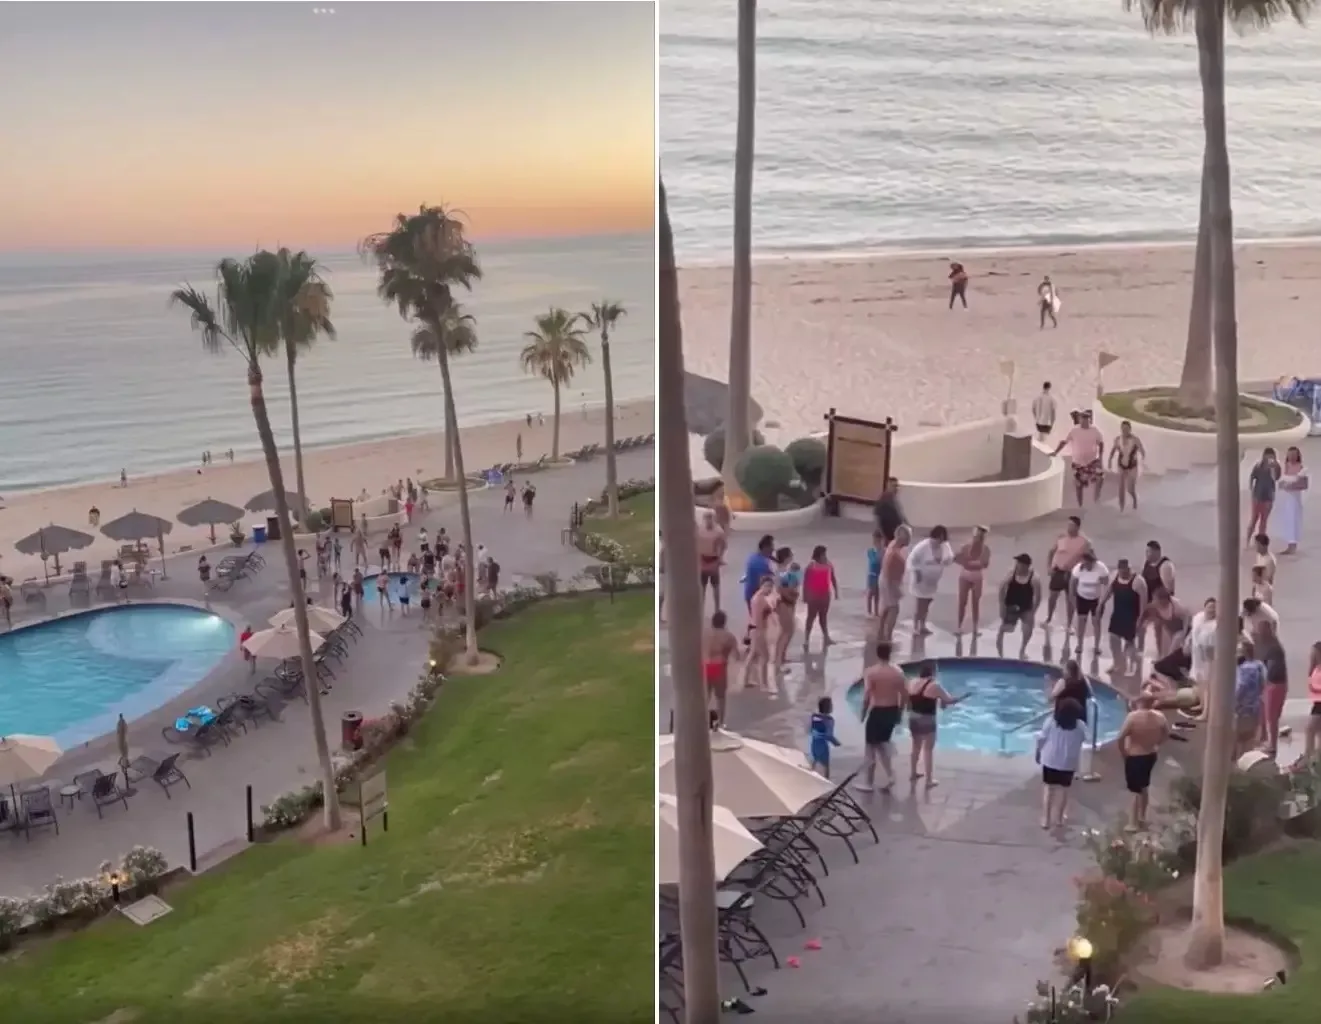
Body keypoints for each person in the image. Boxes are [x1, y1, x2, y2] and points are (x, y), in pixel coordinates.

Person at [907, 660, 968, 788]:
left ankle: (913, 773)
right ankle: (929, 780)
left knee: (915, 746)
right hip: (927, 719)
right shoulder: (934, 685)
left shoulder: (912, 682)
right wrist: (963, 697)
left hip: (913, 718)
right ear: (933, 671)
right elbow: (949, 700)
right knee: (928, 749)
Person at [857, 641, 906, 793]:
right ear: (890, 654)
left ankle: (868, 783)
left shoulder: (871, 672)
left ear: (877, 654)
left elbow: (867, 694)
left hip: (877, 711)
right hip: (892, 710)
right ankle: (890, 775)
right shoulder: (898, 672)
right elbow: (904, 695)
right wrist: (900, 713)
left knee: (871, 747)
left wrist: (863, 712)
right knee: (882, 744)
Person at [1116, 694, 1169, 831]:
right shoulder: (1160, 717)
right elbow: (1166, 734)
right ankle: (1142, 816)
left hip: (1135, 755)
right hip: (1150, 754)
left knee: (1135, 790)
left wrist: (1123, 753)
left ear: (1139, 702)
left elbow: (1120, 737)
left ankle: (1132, 823)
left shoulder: (1133, 717)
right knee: (1144, 786)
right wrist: (1157, 744)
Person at [1036, 697, 1086, 831]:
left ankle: (1046, 819)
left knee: (1049, 789)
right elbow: (1082, 740)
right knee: (1064, 790)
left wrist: (1038, 752)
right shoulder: (1080, 726)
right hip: (1068, 762)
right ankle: (1058, 818)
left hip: (1050, 761)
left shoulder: (1051, 722)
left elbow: (1041, 739)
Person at [906, 525, 953, 637]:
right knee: (920, 605)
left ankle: (923, 625)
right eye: (939, 538)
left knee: (927, 604)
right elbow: (911, 560)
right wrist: (916, 571)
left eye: (942, 538)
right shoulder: (922, 546)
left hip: (932, 582)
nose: (940, 541)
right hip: (921, 580)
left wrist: (944, 560)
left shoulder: (944, 545)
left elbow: (949, 558)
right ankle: (915, 627)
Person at [1102, 558, 1147, 675]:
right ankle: (1117, 663)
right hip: (1118, 614)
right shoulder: (1115, 576)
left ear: (1129, 569)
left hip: (1131, 617)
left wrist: (1140, 619)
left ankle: (1133, 665)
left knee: (1130, 644)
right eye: (1120, 571)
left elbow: (1144, 602)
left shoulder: (1138, 581)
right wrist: (1101, 603)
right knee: (1113, 640)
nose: (1122, 574)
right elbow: (1109, 591)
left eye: (1125, 571)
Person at [1044, 516, 1089, 630]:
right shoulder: (1061, 538)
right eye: (1068, 525)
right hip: (1058, 571)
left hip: (1072, 574)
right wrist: (1049, 567)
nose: (1069, 527)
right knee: (1052, 596)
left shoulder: (1084, 542)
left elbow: (1089, 558)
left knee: (1070, 599)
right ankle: (1048, 618)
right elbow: (1051, 552)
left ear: (1077, 527)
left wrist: (1083, 573)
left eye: (1072, 525)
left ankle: (1069, 624)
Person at [1053, 410, 1105, 506]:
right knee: (1079, 484)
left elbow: (1101, 443)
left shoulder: (1094, 430)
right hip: (1078, 463)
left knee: (1100, 477)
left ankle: (1096, 498)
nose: (1085, 421)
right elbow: (1064, 441)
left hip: (1092, 461)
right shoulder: (1074, 430)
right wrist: (1055, 452)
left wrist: (1101, 457)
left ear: (1090, 420)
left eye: (1087, 419)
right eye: (1083, 419)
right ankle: (1080, 504)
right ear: (1080, 420)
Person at [996, 553, 1041, 658]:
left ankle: (1022, 650)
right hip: (1011, 605)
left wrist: (1033, 611)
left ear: (1026, 566)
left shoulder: (1034, 578)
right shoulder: (1011, 574)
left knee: (1028, 628)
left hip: (1026, 606)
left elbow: (1038, 596)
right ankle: (1000, 654)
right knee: (1005, 629)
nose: (1017, 565)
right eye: (1017, 563)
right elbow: (1001, 589)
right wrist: (1002, 606)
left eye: (1019, 563)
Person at [702, 610, 741, 729]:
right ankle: (721, 722)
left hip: (705, 665)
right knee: (720, 697)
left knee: (705, 695)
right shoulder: (728, 636)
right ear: (724, 622)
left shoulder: (705, 634)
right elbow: (736, 656)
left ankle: (702, 720)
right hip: (719, 666)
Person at [1256, 618, 1289, 756]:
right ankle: (1264, 739)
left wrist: (1264, 681)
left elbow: (1273, 670)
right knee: (1265, 714)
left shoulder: (1273, 648)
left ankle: (1272, 745)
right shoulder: (1265, 645)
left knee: (1272, 716)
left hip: (1275, 684)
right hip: (1270, 684)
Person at [1184, 597, 1218, 721]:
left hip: (1208, 657)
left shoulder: (1216, 624)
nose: (1211, 610)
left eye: (1214, 608)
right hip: (1197, 654)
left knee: (1207, 685)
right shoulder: (1198, 617)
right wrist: (1187, 641)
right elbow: (1193, 632)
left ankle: (1206, 713)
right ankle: (1202, 704)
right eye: (1210, 607)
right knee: (1199, 682)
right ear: (1205, 607)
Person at [954, 526, 991, 636]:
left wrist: (969, 563)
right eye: (977, 536)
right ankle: (959, 627)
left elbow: (985, 564)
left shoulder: (985, 549)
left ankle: (975, 628)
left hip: (976, 576)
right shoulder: (966, 547)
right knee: (962, 602)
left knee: (975, 603)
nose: (978, 538)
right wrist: (970, 563)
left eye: (981, 537)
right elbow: (957, 558)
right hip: (965, 575)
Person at [1234, 639, 1267, 759]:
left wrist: (1235, 702)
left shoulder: (1245, 668)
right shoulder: (1260, 665)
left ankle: (1239, 761)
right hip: (1256, 705)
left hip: (1243, 707)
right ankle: (1247, 761)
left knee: (1240, 738)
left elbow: (1241, 687)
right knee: (1250, 737)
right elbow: (1264, 683)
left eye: (1239, 651)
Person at [877, 525, 910, 644]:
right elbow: (889, 569)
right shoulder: (895, 553)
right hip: (889, 581)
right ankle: (888, 636)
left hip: (885, 579)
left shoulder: (893, 545)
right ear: (902, 538)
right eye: (908, 537)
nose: (909, 540)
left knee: (886, 606)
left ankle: (881, 631)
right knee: (894, 609)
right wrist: (895, 587)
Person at [801, 545, 839, 651]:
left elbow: (833, 579)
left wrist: (836, 591)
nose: (825, 556)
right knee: (811, 617)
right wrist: (805, 596)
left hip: (825, 595)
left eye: (825, 554)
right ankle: (806, 639)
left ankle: (826, 638)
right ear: (818, 555)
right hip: (813, 596)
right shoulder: (811, 566)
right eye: (823, 554)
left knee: (823, 617)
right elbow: (806, 582)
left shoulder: (829, 565)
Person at [744, 575, 776, 692]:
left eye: (771, 586)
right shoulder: (760, 600)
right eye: (767, 586)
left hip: (754, 629)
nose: (770, 589)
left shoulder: (756, 597)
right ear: (761, 586)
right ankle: (764, 684)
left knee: (752, 655)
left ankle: (746, 680)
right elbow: (759, 618)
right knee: (765, 657)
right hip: (758, 630)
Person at [771, 548, 800, 673]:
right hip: (784, 602)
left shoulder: (783, 571)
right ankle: (778, 662)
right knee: (787, 631)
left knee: (785, 631)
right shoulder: (782, 572)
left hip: (785, 602)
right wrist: (791, 598)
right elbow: (782, 590)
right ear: (786, 557)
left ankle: (781, 658)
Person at [1108, 420, 1146, 512]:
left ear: (1130, 429)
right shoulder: (1118, 439)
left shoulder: (1135, 440)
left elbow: (1142, 451)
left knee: (1130, 489)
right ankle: (1121, 507)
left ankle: (1134, 499)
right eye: (1123, 429)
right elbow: (1113, 451)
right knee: (1121, 487)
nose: (1125, 431)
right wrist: (1110, 460)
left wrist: (1142, 460)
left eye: (1127, 429)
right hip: (1121, 465)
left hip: (1132, 466)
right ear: (1121, 429)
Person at [1276, 445, 1308, 554]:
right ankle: (1289, 544)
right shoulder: (1285, 466)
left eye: (1294, 455)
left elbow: (1304, 485)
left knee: (1294, 521)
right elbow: (1280, 481)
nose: (1292, 457)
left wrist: (1291, 486)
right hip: (1285, 498)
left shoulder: (1301, 468)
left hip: (1295, 499)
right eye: (1290, 455)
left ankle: (1293, 545)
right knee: (1287, 522)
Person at [1246, 447, 1281, 547]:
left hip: (1269, 496)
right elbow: (1252, 476)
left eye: (1271, 456)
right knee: (1254, 518)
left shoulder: (1276, 466)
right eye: (1267, 455)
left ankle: (1260, 542)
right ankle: (1247, 541)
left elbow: (1276, 478)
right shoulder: (1258, 465)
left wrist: (1273, 468)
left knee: (1264, 520)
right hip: (1258, 495)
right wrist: (1251, 488)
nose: (1269, 458)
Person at [696, 510, 728, 613]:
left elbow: (724, 545)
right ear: (704, 519)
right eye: (707, 518)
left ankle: (717, 609)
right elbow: (695, 543)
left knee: (715, 586)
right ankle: (700, 609)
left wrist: (720, 558)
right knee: (702, 586)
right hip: (702, 560)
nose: (708, 520)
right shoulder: (699, 530)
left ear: (713, 519)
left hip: (714, 560)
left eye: (710, 518)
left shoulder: (719, 531)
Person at [1145, 587, 1190, 658]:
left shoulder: (1176, 605)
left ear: (1165, 600)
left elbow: (1186, 617)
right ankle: (1161, 656)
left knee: (1175, 642)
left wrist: (1184, 632)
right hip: (1169, 628)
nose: (1155, 602)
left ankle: (1168, 659)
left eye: (1157, 600)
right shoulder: (1154, 606)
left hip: (1182, 628)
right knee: (1166, 641)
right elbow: (1146, 614)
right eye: (1154, 600)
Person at [808, 696, 842, 778]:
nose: (832, 706)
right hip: (823, 745)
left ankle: (810, 777)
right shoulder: (829, 720)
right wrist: (837, 743)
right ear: (828, 708)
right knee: (826, 765)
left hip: (814, 744)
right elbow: (829, 735)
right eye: (831, 705)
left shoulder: (814, 716)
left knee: (815, 761)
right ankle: (826, 781)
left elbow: (810, 730)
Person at [873, 478, 905, 546]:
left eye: (897, 486)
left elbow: (898, 514)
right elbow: (877, 517)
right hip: (887, 535)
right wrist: (883, 534)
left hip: (894, 534)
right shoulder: (884, 499)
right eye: (894, 486)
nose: (896, 488)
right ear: (888, 486)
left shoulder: (893, 498)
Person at [1305, 642, 1321, 764]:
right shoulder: (1316, 668)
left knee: (1310, 729)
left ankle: (1308, 756)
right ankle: (1315, 758)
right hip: (1316, 702)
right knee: (1315, 730)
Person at [864, 530, 883, 618]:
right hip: (872, 575)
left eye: (877, 540)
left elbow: (879, 562)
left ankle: (876, 612)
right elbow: (874, 561)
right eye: (874, 539)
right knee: (870, 594)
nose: (875, 541)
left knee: (877, 595)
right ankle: (869, 612)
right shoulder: (871, 551)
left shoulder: (883, 551)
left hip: (879, 575)